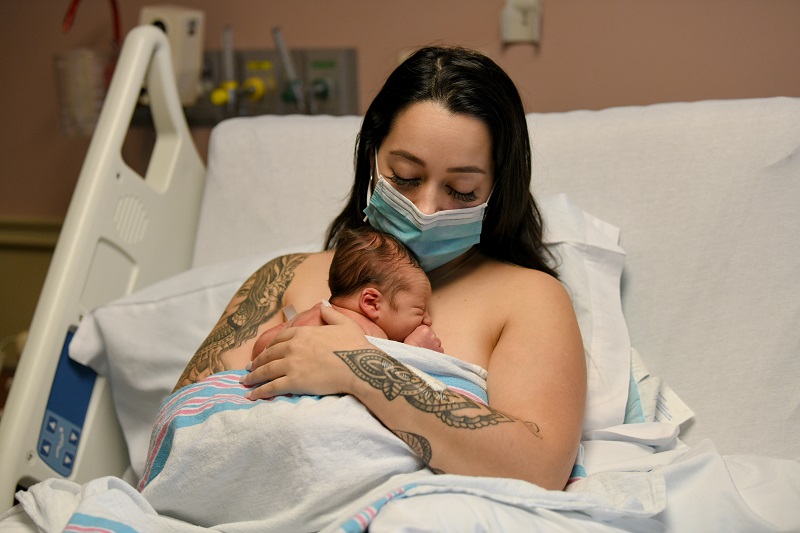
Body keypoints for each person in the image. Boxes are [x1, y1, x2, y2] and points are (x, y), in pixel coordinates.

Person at [173, 45, 586, 491]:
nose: (426, 208)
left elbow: (541, 469)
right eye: (406, 177)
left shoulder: (529, 298)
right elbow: (185, 430)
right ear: (372, 156)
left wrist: (359, 368)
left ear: (498, 189)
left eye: (462, 190)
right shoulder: (288, 277)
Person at [250, 226, 443, 357]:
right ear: (372, 303)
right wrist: (415, 351)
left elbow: (260, 348)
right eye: (419, 310)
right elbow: (385, 378)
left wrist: (289, 329)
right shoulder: (369, 333)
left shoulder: (308, 316)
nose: (427, 320)